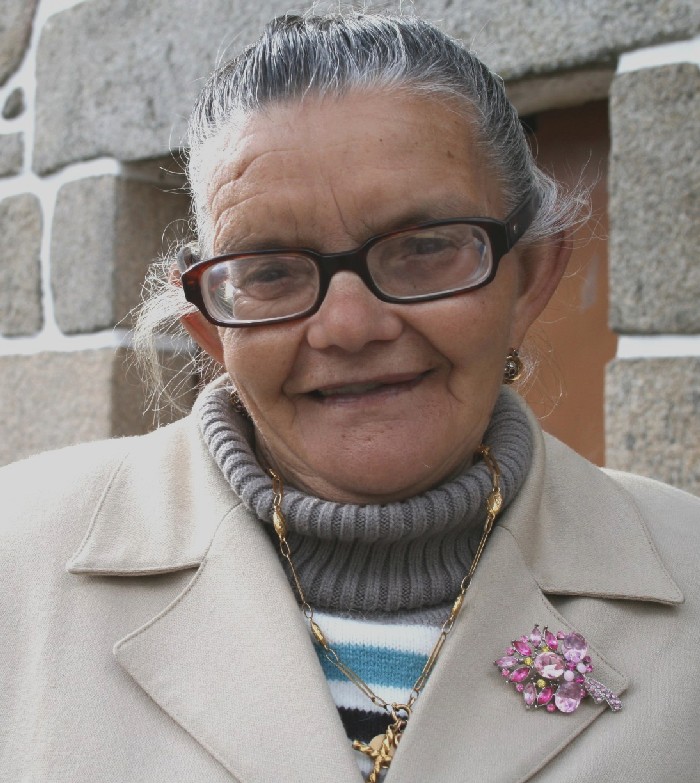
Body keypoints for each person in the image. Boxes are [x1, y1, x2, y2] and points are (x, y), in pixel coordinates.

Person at [1, 12, 698, 783]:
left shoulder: (688, 573)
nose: (350, 326)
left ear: (529, 276)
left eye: (424, 248)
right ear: (210, 327)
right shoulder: (17, 560)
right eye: (270, 271)